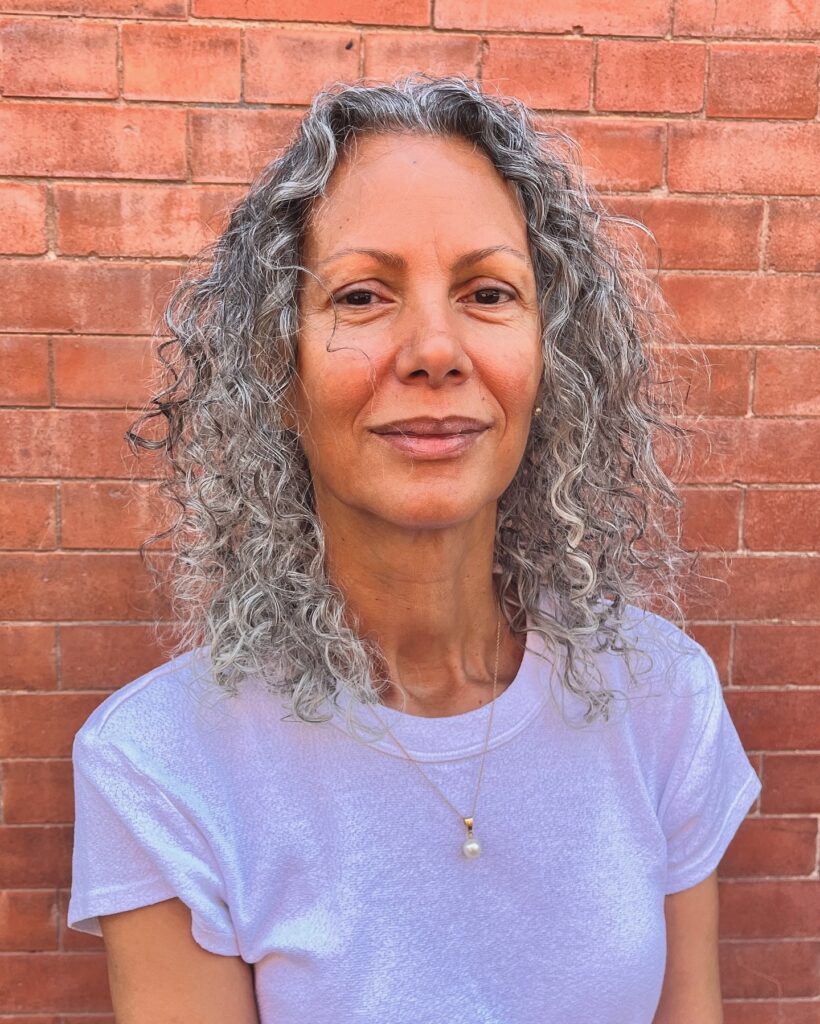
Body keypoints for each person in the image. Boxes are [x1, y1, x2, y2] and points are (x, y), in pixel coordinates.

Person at [67, 75, 761, 1023]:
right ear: (280, 367)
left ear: (550, 358)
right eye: (361, 294)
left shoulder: (661, 698)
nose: (435, 348)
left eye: (487, 291)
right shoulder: (161, 767)